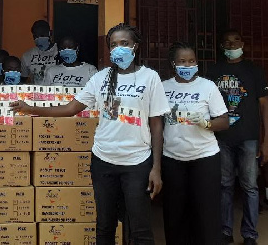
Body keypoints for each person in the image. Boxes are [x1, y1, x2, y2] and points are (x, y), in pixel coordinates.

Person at [11, 23, 168, 244]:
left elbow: (157, 124)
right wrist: (31, 109)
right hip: (103, 160)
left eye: (125, 43)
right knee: (105, 225)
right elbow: (70, 109)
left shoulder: (150, 77)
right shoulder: (100, 78)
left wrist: (156, 168)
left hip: (137, 162)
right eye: (114, 45)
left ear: (136, 46)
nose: (119, 49)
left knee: (140, 227)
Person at [206, 29, 268, 245]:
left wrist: (267, 140)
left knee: (250, 187)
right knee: (224, 185)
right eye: (227, 42)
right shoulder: (214, 71)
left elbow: (265, 107)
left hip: (248, 138)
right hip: (222, 138)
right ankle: (225, 231)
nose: (231, 45)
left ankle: (250, 234)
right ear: (221, 46)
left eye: (235, 41)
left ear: (242, 44)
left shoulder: (254, 71)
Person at [161, 42, 229, 244]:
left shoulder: (208, 87)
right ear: (173, 64)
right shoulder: (163, 88)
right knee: (175, 213)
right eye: (182, 61)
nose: (187, 65)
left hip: (205, 158)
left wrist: (207, 123)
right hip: (172, 158)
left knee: (206, 212)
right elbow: (154, 123)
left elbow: (224, 121)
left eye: (191, 61)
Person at [21, 20, 58, 84]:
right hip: (36, 92)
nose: (39, 38)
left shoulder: (60, 52)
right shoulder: (27, 56)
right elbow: (23, 79)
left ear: (50, 33)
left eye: (42, 35)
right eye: (35, 36)